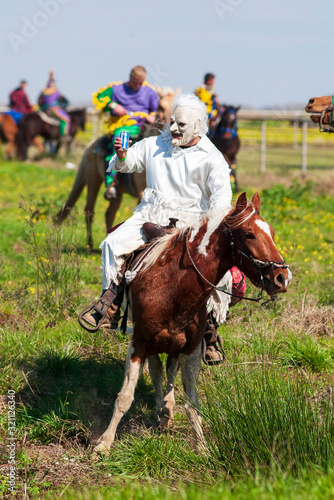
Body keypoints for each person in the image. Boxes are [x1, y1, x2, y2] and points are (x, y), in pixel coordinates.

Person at [81, 93, 235, 365]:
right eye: (172, 122)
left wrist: (210, 226)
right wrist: (121, 156)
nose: (174, 128)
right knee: (112, 244)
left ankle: (209, 329)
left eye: (182, 125)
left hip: (192, 224)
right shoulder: (154, 144)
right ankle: (110, 304)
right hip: (150, 214)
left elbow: (222, 198)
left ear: (198, 126)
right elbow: (129, 163)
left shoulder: (213, 158)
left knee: (221, 276)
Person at [92, 65, 159, 199]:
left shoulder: (149, 91)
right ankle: (112, 183)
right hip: (123, 124)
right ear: (130, 78)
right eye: (137, 83)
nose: (139, 85)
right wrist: (113, 105)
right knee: (119, 142)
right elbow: (98, 97)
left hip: (144, 125)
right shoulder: (116, 88)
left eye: (142, 82)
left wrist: (152, 115)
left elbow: (155, 108)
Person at [38, 69, 70, 138]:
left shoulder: (43, 91)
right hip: (53, 109)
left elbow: (39, 101)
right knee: (66, 119)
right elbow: (61, 99)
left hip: (43, 109)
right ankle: (63, 134)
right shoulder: (55, 91)